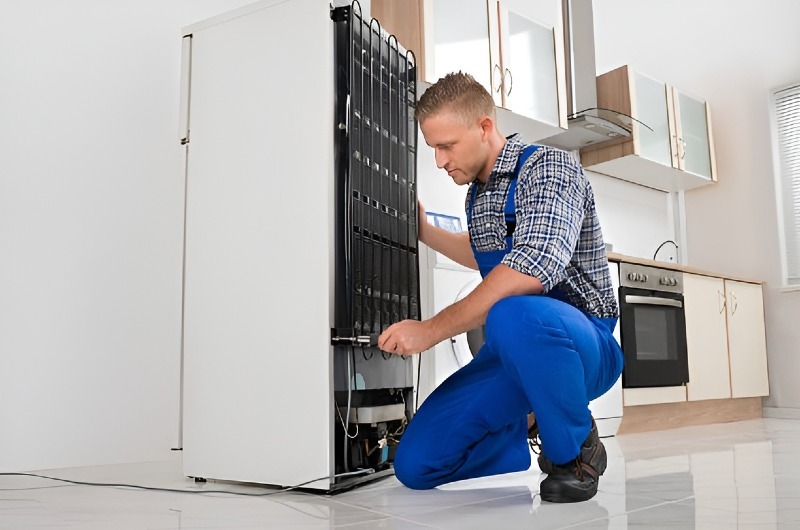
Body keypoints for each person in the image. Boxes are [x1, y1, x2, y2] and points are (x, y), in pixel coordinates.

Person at [377, 72, 624, 503]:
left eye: (446, 146)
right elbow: (484, 255)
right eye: (433, 147)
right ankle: (532, 420)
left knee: (511, 311)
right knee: (417, 465)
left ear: (485, 128)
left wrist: (431, 330)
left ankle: (574, 453)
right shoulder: (478, 194)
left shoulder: (549, 167)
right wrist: (423, 230)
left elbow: (529, 269)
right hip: (513, 349)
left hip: (582, 344)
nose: (439, 160)